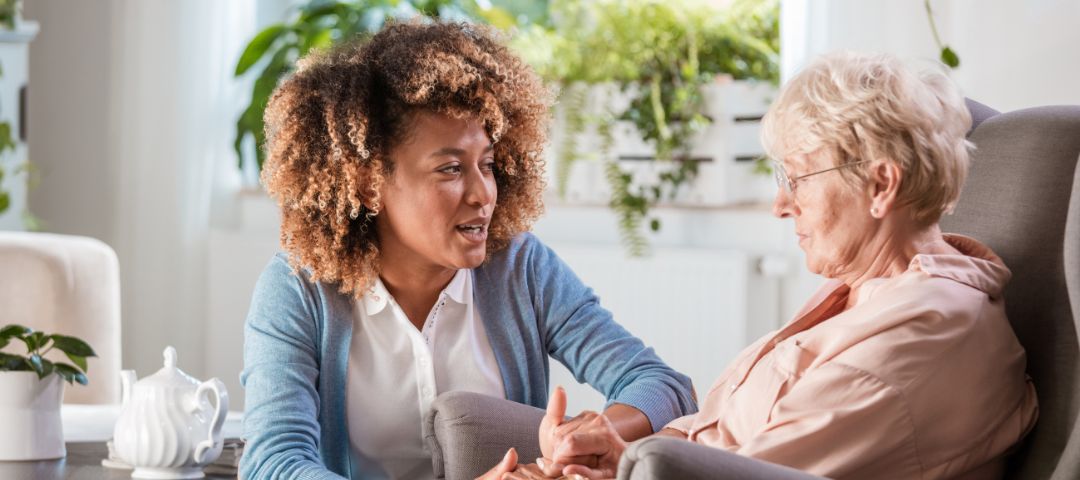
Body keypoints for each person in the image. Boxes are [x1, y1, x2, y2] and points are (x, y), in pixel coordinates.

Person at [490, 51, 1039, 480]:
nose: (780, 204)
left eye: (797, 178)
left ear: (880, 184)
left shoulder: (924, 335)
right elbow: (715, 439)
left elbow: (738, 476)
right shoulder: (873, 293)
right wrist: (621, 453)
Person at [239, 21, 697, 480]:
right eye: (451, 168)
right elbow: (274, 461)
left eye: (489, 165)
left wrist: (586, 435)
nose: (483, 194)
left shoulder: (521, 268)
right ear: (367, 184)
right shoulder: (298, 289)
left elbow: (662, 386)